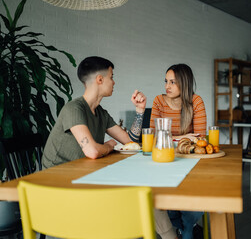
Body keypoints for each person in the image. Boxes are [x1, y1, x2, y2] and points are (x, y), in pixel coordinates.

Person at [42, 56, 177, 239]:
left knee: (143, 193)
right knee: (137, 197)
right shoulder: (74, 109)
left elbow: (129, 140)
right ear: (100, 79)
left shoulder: (100, 113)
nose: (114, 82)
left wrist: (139, 111)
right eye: (112, 76)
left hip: (86, 180)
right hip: (60, 191)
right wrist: (108, 146)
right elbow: (92, 151)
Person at [150, 63, 206, 239]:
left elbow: (200, 140)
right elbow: (154, 139)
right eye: (166, 81)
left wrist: (173, 140)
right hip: (165, 163)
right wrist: (183, 138)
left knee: (193, 204)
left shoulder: (196, 101)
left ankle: (188, 229)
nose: (167, 86)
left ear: (184, 82)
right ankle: (181, 228)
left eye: (173, 82)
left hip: (189, 164)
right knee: (165, 200)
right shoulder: (159, 101)